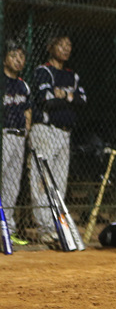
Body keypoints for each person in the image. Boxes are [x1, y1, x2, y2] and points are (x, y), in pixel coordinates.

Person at [28, 34, 86, 246]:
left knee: (59, 182)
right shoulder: (43, 71)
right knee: (42, 181)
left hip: (65, 133)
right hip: (45, 130)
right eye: (61, 45)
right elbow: (47, 100)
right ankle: (44, 229)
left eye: (69, 45)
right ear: (50, 47)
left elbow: (83, 100)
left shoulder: (72, 75)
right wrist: (69, 98)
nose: (66, 48)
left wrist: (65, 96)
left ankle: (56, 227)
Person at [2, 40, 32, 242]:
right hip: (3, 135)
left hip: (19, 137)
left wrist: (27, 130)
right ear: (4, 59)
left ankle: (7, 230)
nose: (18, 60)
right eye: (13, 56)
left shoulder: (23, 85)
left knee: (12, 186)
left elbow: (27, 110)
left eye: (21, 56)